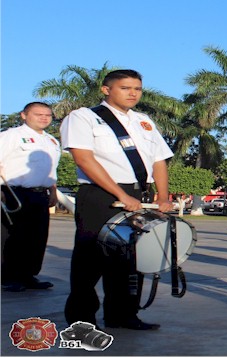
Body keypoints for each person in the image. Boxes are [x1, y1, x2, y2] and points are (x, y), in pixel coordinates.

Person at [61, 69, 173, 330]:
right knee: (91, 259)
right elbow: (84, 159)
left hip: (137, 195)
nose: (133, 93)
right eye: (125, 87)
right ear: (106, 89)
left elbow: (159, 160)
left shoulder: (144, 121)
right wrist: (120, 195)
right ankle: (81, 319)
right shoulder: (84, 117)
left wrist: (163, 197)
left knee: (130, 259)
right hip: (101, 196)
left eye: (137, 88)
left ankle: (122, 314)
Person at [0, 102, 61, 292]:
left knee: (37, 237)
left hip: (40, 193)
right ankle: (8, 277)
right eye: (38, 114)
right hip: (14, 192)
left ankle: (28, 275)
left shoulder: (51, 141)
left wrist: (53, 191)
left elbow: (50, 169)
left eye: (48, 115)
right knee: (12, 237)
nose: (44, 118)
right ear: (24, 115)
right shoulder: (12, 136)